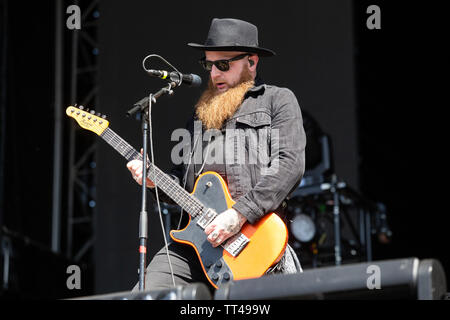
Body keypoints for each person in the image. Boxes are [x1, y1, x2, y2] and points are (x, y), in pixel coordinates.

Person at [127, 18, 306, 291]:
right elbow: (181, 185)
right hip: (194, 243)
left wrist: (238, 214)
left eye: (223, 64)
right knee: (149, 294)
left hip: (250, 239)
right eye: (208, 64)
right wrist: (154, 182)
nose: (214, 74)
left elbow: (290, 165)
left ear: (252, 62)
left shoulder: (277, 100)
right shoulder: (198, 118)